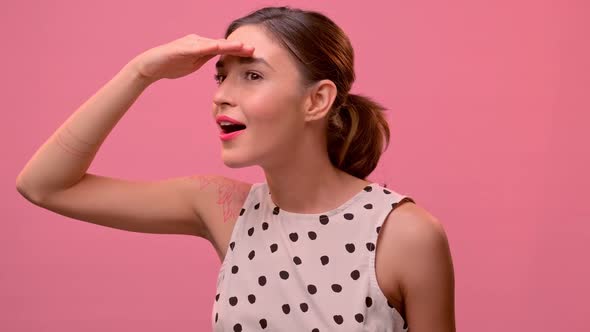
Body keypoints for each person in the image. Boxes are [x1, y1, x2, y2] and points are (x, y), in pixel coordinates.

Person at [16, 5, 455, 332]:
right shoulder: (222, 207)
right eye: (221, 75)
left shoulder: (405, 234)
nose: (222, 95)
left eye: (252, 75)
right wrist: (141, 72)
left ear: (316, 100)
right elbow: (45, 186)